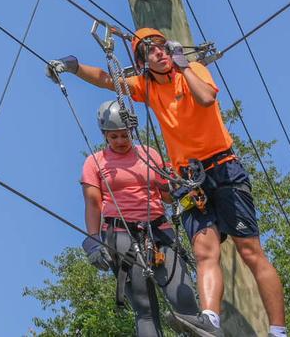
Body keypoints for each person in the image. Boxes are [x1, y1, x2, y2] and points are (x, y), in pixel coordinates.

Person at [50, 29, 288, 336]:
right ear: (142, 62)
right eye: (151, 51)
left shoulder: (194, 71)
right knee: (205, 251)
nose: (160, 53)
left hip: (223, 167)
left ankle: (278, 331)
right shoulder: (146, 87)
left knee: (250, 251)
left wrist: (185, 66)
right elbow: (106, 79)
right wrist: (73, 66)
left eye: (163, 48)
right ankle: (210, 319)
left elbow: (206, 98)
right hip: (190, 179)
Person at [79, 98, 206, 336]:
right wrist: (93, 241)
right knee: (145, 307)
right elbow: (93, 203)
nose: (119, 141)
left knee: (184, 295)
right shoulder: (94, 162)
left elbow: (168, 196)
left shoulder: (149, 154)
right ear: (104, 135)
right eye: (113, 136)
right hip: (120, 234)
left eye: (124, 135)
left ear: (132, 131)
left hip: (159, 229)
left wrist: (182, 185)